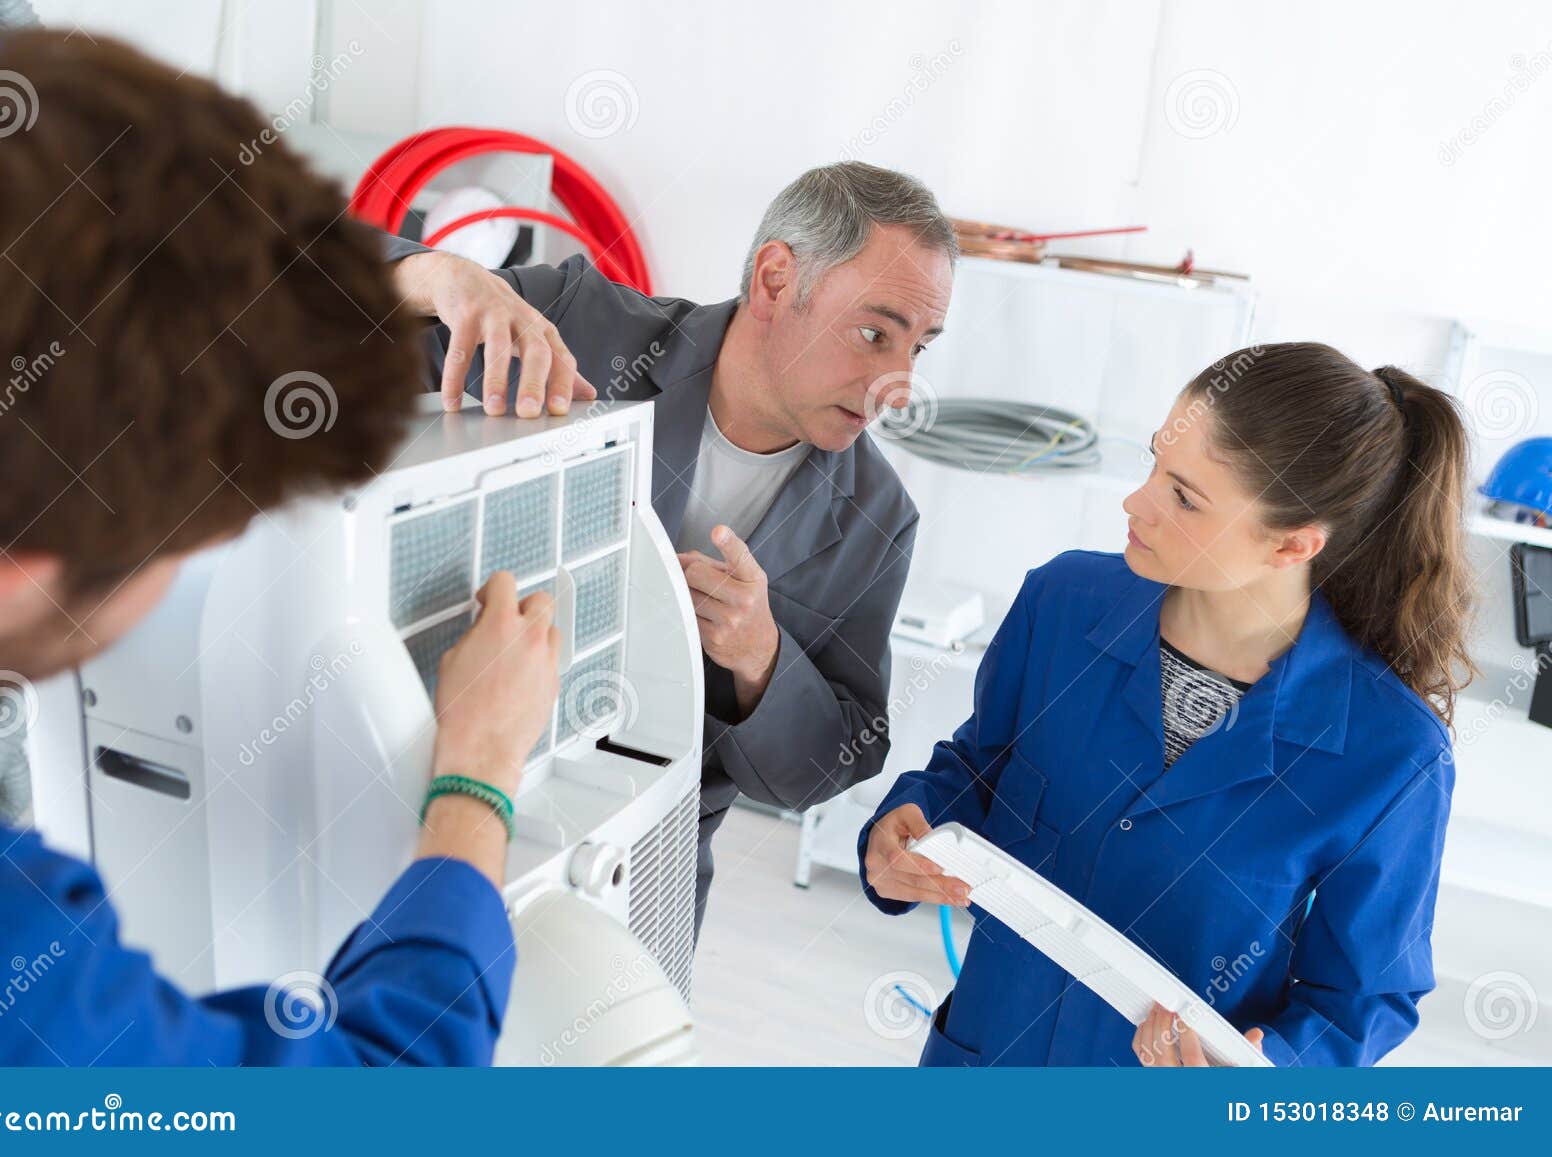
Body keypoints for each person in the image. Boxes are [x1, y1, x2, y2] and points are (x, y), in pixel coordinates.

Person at [0, 30, 556, 1065]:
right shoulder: (1, 971)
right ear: (5, 574)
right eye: (182, 540)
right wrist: (477, 780)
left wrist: (402, 275)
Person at [861, 343, 1473, 1067]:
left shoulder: (1394, 754)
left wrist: (1265, 1068)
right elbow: (977, 772)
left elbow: (1361, 1003)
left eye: (1183, 496)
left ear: (1292, 544)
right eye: (1155, 462)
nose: (1136, 501)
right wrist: (905, 828)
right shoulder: (1061, 603)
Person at [387, 163, 955, 933]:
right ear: (776, 280)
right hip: (421, 800)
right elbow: (296, 304)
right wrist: (430, 275)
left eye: (918, 348)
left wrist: (762, 660)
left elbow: (830, 764)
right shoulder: (578, 325)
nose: (897, 384)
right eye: (873, 333)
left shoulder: (878, 519)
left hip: (638, 873)